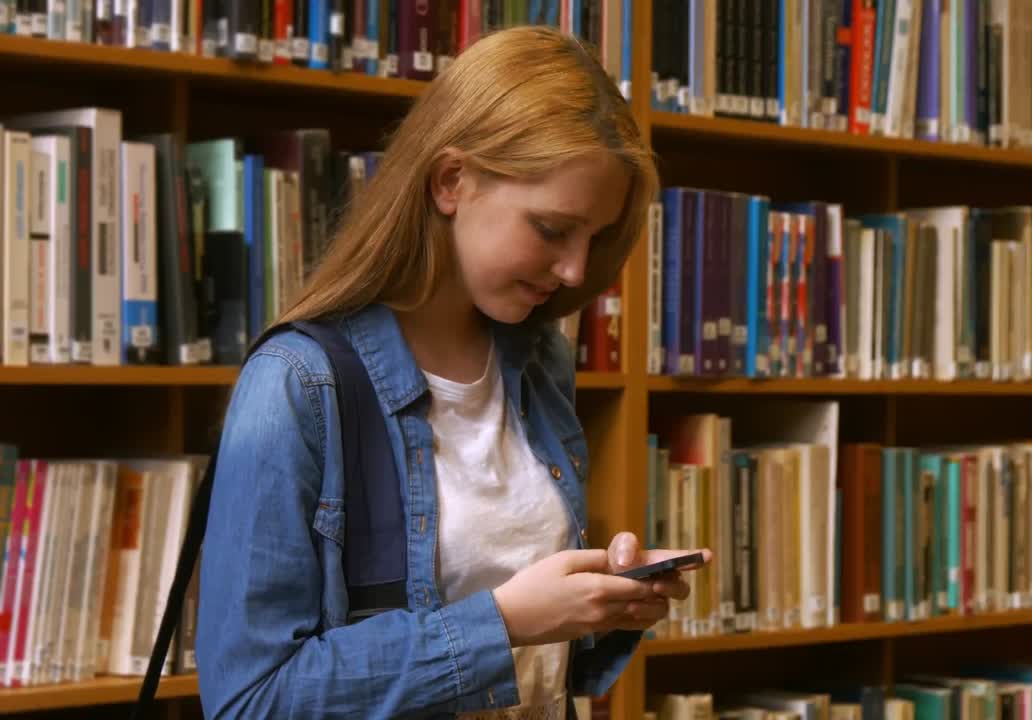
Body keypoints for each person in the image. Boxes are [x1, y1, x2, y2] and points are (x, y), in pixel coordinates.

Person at [195, 25, 710, 720]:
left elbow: (540, 660)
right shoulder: (296, 385)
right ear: (450, 181)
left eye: (595, 237)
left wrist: (601, 602)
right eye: (554, 229)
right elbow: (251, 699)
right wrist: (504, 623)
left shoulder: (539, 362)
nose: (576, 273)